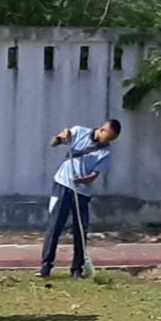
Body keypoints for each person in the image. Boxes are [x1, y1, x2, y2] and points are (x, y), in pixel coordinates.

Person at [40, 119, 121, 278]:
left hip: (82, 192)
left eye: (112, 140)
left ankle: (77, 268)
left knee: (80, 230)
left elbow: (94, 175)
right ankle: (46, 266)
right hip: (63, 184)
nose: (108, 141)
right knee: (55, 225)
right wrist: (61, 138)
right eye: (108, 137)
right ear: (102, 130)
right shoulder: (78, 132)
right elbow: (54, 143)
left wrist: (82, 180)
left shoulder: (106, 152)